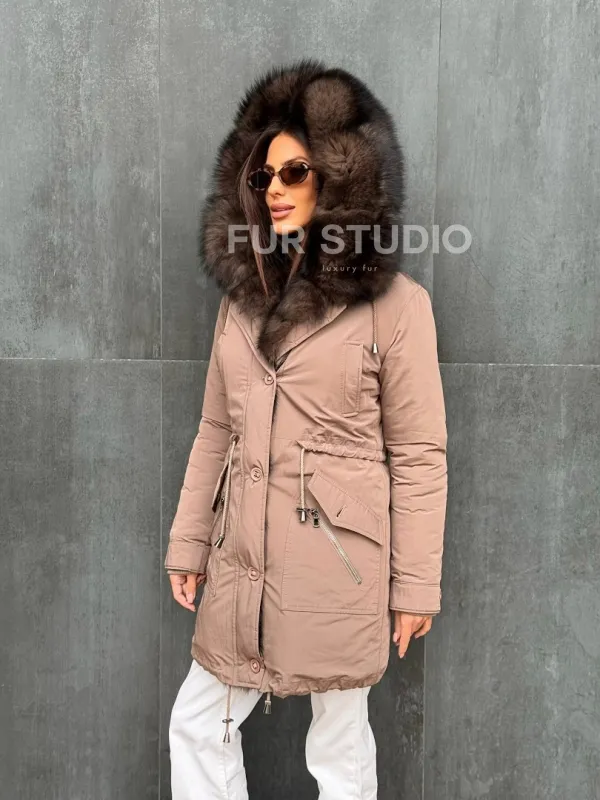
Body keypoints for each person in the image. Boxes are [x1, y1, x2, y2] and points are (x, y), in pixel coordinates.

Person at [164, 58, 448, 800]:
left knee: (340, 742)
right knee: (198, 723)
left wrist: (415, 585)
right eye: (264, 176)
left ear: (340, 179)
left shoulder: (397, 306)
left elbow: (419, 454)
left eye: (296, 172)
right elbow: (215, 428)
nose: (276, 190)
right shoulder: (241, 298)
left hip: (340, 561)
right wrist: (189, 541)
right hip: (241, 557)